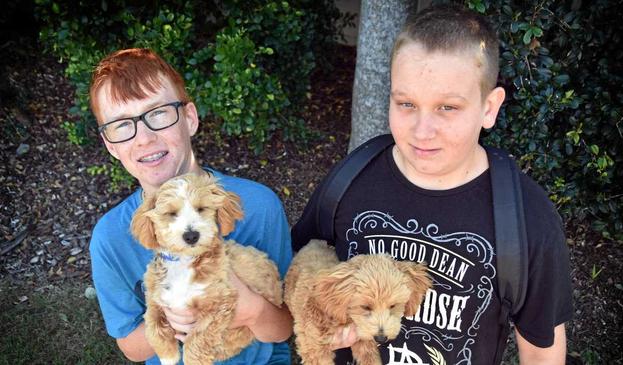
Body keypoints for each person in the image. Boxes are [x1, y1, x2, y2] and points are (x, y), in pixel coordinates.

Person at [291, 4, 572, 364]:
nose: (422, 132)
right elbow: (299, 276)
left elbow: (541, 352)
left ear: (489, 107)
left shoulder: (526, 217)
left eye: (447, 108)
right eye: (406, 103)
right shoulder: (349, 183)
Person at [88, 48, 294, 364]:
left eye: (157, 113)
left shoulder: (259, 207)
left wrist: (250, 307)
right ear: (110, 145)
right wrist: (170, 320)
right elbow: (131, 346)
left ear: (190, 118)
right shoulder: (110, 237)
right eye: (122, 125)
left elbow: (283, 329)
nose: (143, 138)